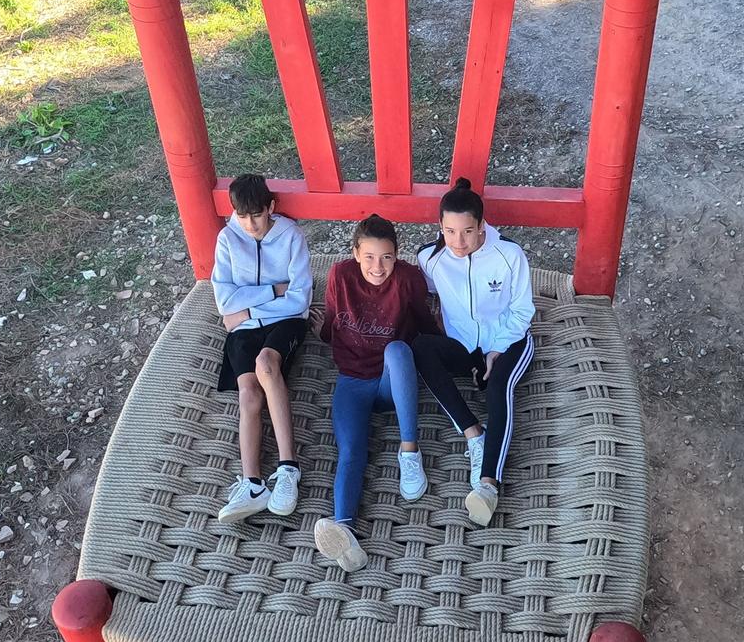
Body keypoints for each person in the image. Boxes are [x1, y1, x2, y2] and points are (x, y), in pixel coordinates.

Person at [310, 216, 435, 571]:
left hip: (389, 381)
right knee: (350, 451)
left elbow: (425, 323)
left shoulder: (408, 278)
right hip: (351, 380)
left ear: (398, 256)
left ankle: (409, 452)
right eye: (368, 257)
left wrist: (455, 352)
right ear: (354, 253)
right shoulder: (340, 275)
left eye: (387, 257)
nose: (378, 267)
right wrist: (320, 334)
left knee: (398, 350)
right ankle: (345, 532)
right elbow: (333, 319)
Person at [413, 179, 536, 527]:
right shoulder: (430, 257)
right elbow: (430, 293)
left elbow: (523, 310)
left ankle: (488, 485)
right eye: (449, 231)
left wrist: (496, 350)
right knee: (420, 348)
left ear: (482, 225)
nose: (459, 242)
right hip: (464, 346)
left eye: (468, 231)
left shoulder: (508, 254)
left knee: (498, 387)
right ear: (440, 227)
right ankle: (473, 433)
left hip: (509, 340)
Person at [211, 173, 313, 522]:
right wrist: (272, 292)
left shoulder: (291, 236)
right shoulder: (227, 239)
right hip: (246, 325)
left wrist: (246, 307)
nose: (251, 224)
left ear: (271, 207)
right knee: (248, 394)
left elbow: (300, 298)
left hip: (285, 322)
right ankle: (252, 483)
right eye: (243, 215)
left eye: (257, 214)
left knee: (267, 365)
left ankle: (288, 469)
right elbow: (224, 301)